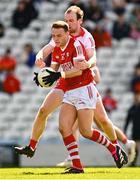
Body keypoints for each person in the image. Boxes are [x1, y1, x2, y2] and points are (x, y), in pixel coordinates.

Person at [14, 5, 132, 164]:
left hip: (83, 81)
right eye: (66, 20)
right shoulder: (61, 35)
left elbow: (93, 59)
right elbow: (50, 50)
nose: (68, 23)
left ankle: (117, 147)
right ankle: (33, 147)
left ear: (80, 21)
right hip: (66, 82)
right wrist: (40, 60)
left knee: (101, 121)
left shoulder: (85, 38)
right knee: (45, 112)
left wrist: (87, 65)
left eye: (71, 20)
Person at [40, 21, 128, 173]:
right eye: (53, 36)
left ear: (68, 34)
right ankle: (77, 166)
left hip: (83, 89)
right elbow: (53, 69)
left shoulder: (76, 45)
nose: (56, 38)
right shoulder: (56, 49)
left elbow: (79, 70)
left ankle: (114, 148)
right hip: (69, 90)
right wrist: (43, 76)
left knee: (86, 131)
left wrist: (59, 74)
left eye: (59, 35)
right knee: (63, 128)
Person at [124, 93, 140, 166]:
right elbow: (127, 121)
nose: (136, 98)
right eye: (135, 97)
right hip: (135, 131)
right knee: (134, 148)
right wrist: (125, 130)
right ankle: (133, 163)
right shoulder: (132, 109)